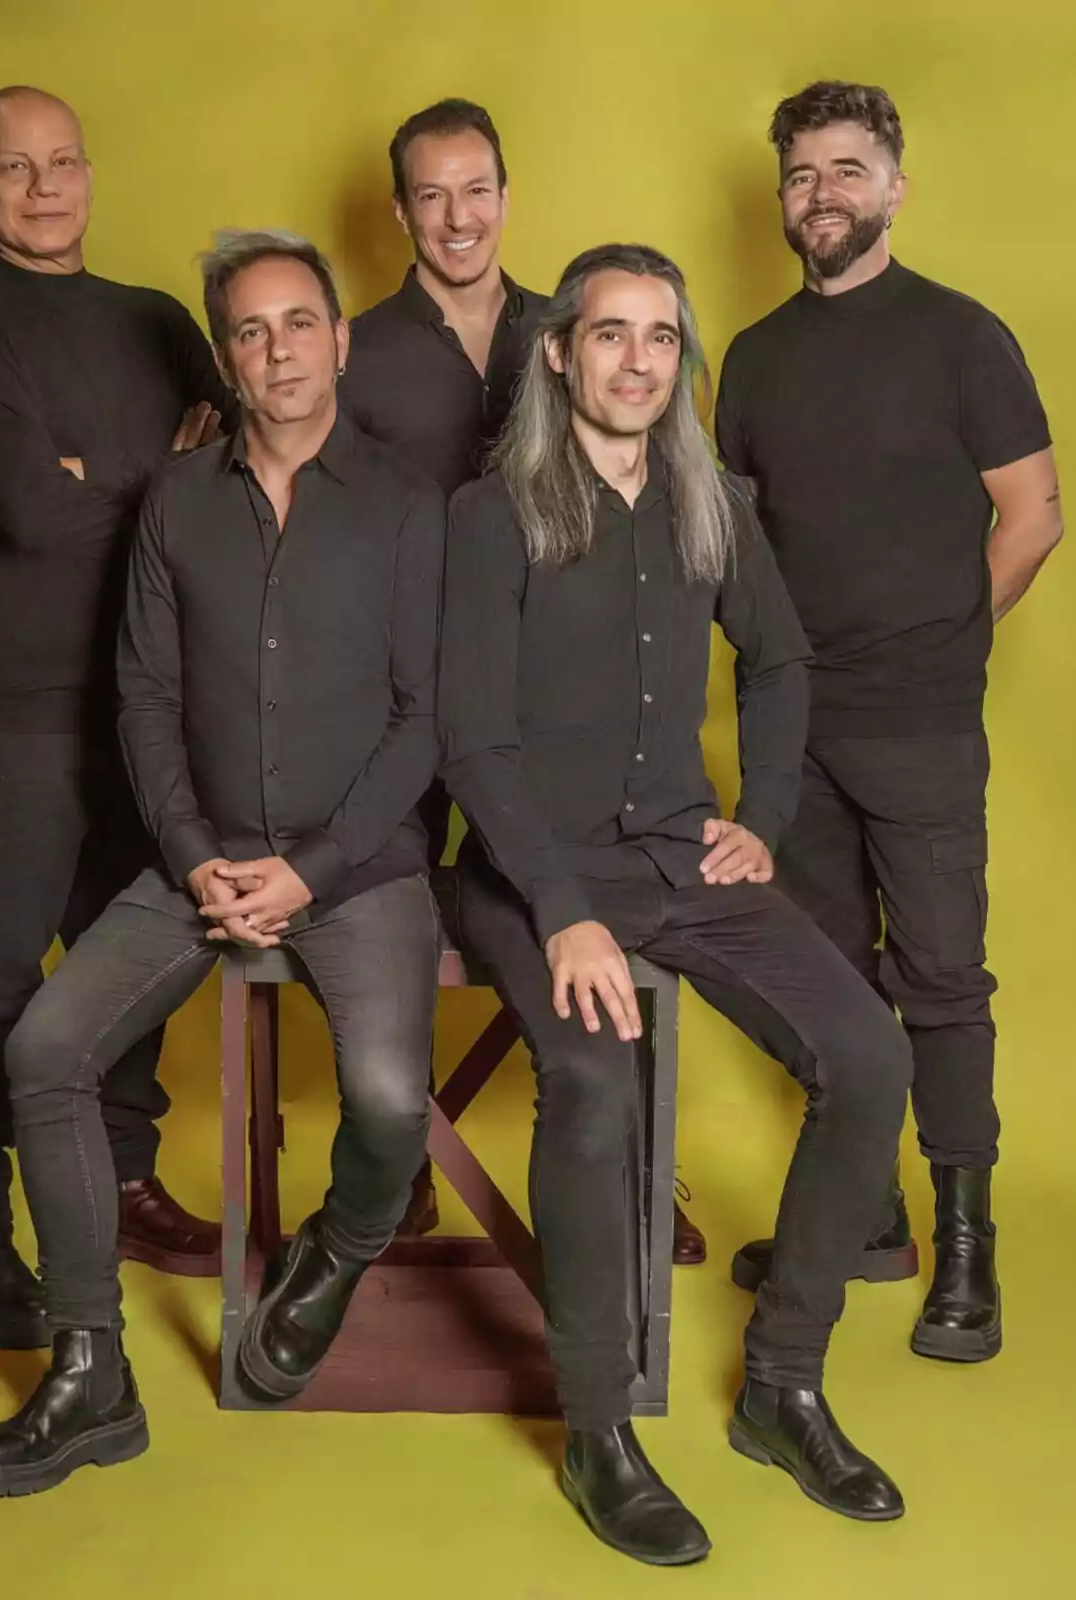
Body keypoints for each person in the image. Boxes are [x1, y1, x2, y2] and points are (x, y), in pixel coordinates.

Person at [0, 230, 446, 1498]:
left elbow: (422, 716)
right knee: (43, 1049)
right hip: (201, 857)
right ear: (222, 358)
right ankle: (87, 1367)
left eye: (298, 324)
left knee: (389, 1104)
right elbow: (145, 700)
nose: (277, 350)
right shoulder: (176, 501)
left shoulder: (408, 502)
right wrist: (195, 856)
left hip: (362, 865)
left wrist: (313, 872)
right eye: (250, 331)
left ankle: (333, 1254)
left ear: (341, 340)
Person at [440, 242, 914, 1565]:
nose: (638, 361)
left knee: (868, 1057)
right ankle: (599, 1431)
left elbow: (780, 661)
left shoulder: (712, 502)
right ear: (560, 352)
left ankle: (784, 1389)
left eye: (661, 337)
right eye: (610, 335)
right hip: (534, 873)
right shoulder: (494, 514)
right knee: (592, 1084)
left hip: (677, 857)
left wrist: (759, 821)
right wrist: (560, 909)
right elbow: (472, 741)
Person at [716, 81, 1062, 1362]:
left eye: (848, 170)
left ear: (896, 187)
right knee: (826, 983)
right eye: (804, 174)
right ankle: (865, 1219)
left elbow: (1033, 515)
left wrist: (945, 639)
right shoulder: (751, 357)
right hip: (792, 726)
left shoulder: (963, 337)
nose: (825, 195)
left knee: (940, 983)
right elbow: (735, 547)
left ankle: (968, 1245)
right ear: (783, 199)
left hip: (920, 721)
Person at [344, 97, 707, 1264]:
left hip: (545, 689)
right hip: (401, 681)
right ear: (402, 209)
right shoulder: (357, 345)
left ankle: (638, 1170)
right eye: (433, 194)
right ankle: (396, 1162)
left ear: (507, 192)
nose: (459, 217)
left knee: (591, 893)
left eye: (478, 189)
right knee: (380, 902)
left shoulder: (577, 325)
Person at [0, 85, 225, 1352]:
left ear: (89, 173)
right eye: (14, 169)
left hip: (148, 715)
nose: (43, 189)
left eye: (61, 163)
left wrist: (95, 480)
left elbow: (227, 481)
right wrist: (149, 479)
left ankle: (128, 1185)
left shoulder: (157, 321)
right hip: (13, 724)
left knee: (128, 980)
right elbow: (37, 523)